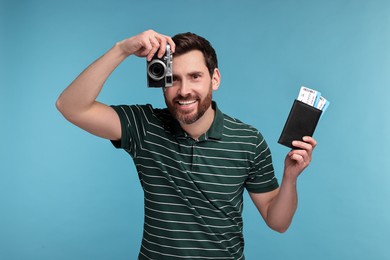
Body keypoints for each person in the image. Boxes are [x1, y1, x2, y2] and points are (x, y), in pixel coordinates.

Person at [56, 29, 317, 260]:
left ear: (214, 79)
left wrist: (290, 178)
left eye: (195, 76)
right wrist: (121, 49)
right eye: (174, 78)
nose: (183, 90)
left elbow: (278, 222)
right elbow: (70, 106)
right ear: (161, 81)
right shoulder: (144, 126)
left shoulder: (248, 140)